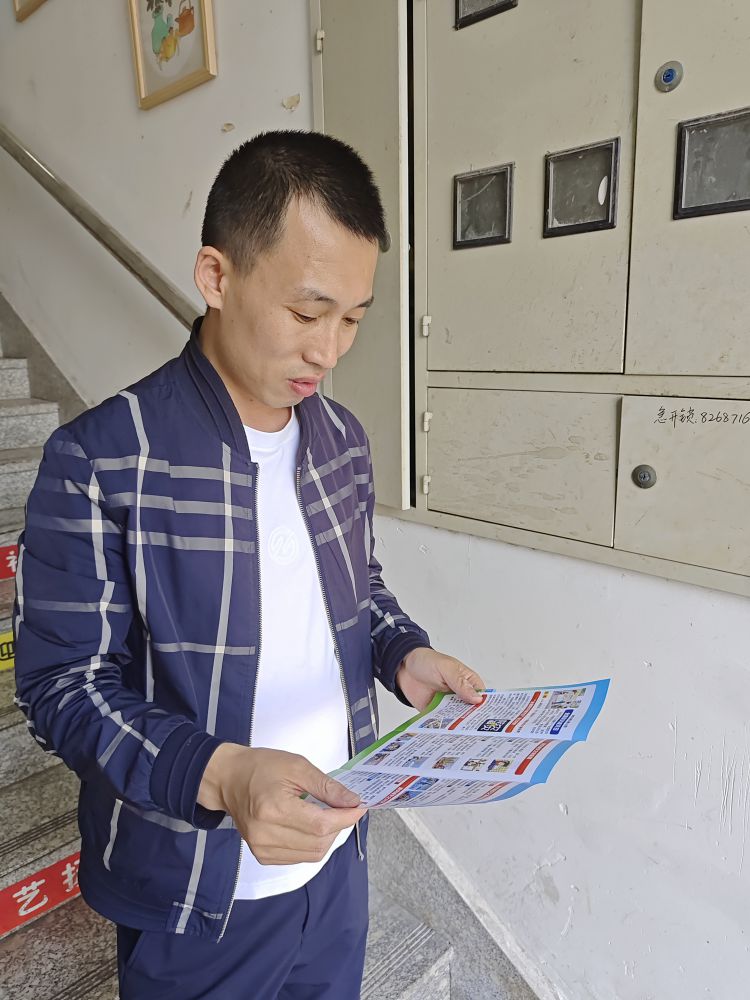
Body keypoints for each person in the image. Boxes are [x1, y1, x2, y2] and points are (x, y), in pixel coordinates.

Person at [14, 131, 485, 999]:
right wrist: (223, 773)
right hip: (193, 893)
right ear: (216, 276)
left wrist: (403, 653)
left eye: (352, 319)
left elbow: (357, 589)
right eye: (307, 313)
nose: (329, 351)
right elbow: (62, 687)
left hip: (336, 865)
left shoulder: (341, 441)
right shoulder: (105, 458)